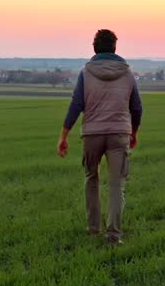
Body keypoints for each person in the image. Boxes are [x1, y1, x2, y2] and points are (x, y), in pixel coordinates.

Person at [58, 29, 143, 244]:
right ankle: (114, 235)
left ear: (94, 48)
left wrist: (64, 135)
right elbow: (137, 108)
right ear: (115, 48)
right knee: (117, 185)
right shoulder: (127, 74)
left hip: (92, 134)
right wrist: (134, 132)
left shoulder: (85, 74)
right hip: (119, 134)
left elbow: (76, 105)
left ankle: (93, 227)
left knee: (91, 178)